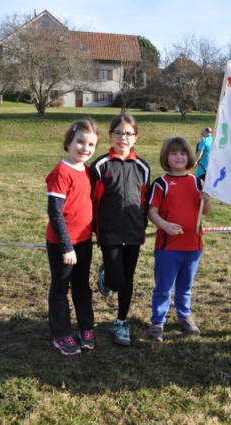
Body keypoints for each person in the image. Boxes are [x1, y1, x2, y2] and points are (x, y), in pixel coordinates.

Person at [91, 113, 151, 347]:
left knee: (128, 280)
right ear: (110, 136)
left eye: (128, 134)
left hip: (134, 233)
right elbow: (93, 200)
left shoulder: (142, 167)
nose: (122, 138)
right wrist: (96, 229)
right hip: (110, 232)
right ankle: (107, 273)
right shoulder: (100, 165)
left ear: (135, 138)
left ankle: (121, 321)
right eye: (118, 133)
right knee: (117, 282)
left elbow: (144, 200)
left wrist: (142, 223)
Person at [147, 136, 212, 342]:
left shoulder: (198, 182)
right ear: (166, 157)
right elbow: (152, 212)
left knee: (186, 285)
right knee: (164, 286)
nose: (178, 157)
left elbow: (206, 212)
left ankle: (184, 315)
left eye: (183, 153)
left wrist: (207, 199)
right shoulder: (161, 184)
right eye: (174, 153)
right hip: (168, 247)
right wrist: (164, 225)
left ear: (190, 157)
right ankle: (158, 320)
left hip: (193, 246)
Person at [46, 119, 99, 356]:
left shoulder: (87, 171)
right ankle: (61, 334)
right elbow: (54, 211)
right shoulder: (60, 172)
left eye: (90, 144)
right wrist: (67, 247)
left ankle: (86, 328)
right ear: (69, 143)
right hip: (63, 245)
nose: (84, 148)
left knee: (82, 287)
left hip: (84, 241)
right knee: (60, 288)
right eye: (80, 142)